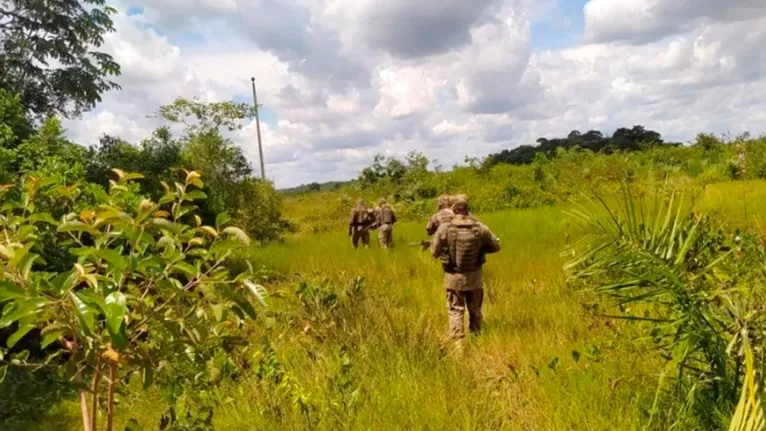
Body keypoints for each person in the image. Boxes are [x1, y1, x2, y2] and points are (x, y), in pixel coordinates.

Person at [430, 195, 501, 353]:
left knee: (455, 310)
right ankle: (477, 340)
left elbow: (434, 252)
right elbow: (496, 246)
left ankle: (459, 345)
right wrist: (482, 248)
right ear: (468, 210)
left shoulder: (445, 229)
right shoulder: (480, 228)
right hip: (475, 278)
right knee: (475, 310)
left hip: (453, 279)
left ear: (454, 211)